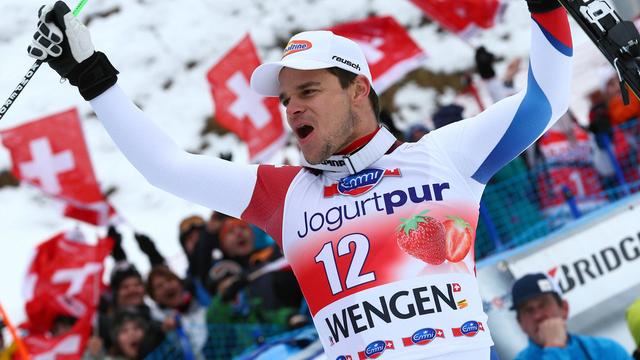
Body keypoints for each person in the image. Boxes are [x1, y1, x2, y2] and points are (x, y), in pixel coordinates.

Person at [29, 0, 573, 358]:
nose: (291, 110)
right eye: (286, 99)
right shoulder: (286, 196)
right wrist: (92, 77)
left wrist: (546, 6)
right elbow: (165, 167)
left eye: (308, 92)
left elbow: (547, 100)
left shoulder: (441, 157)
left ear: (359, 89)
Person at [511, 273, 632, 359]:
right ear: (520, 324)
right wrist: (555, 347)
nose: (538, 315)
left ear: (564, 308)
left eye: (543, 304)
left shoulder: (606, 350)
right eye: (528, 310)